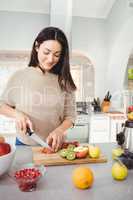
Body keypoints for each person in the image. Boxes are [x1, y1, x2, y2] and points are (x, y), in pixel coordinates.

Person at [0, 27, 77, 152]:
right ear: (37, 47)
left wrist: (60, 130)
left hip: (55, 146)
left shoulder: (65, 81)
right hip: (25, 144)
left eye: (57, 55)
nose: (51, 59)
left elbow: (71, 117)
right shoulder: (20, 76)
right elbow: (1, 105)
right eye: (46, 52)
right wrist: (17, 114)